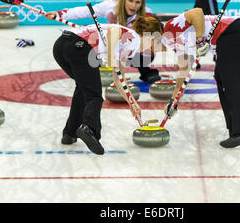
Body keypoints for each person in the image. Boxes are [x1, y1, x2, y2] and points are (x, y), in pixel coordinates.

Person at [52, 16, 163, 155]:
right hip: (78, 47)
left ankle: (70, 133)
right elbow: (114, 31)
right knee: (94, 96)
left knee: (83, 88)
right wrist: (111, 56)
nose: (153, 50)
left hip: (61, 46)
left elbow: (118, 80)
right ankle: (90, 129)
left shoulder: (129, 48)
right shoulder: (133, 37)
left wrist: (132, 103)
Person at [161, 8, 240, 148]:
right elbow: (184, 69)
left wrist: (200, 40)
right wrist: (174, 100)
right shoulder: (173, 42)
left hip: (231, 33)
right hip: (239, 33)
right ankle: (239, 129)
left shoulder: (170, 29)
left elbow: (197, 12)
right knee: (223, 79)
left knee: (231, 82)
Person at [45, 0, 162, 83]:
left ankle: (146, 72)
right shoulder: (110, 6)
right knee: (95, 43)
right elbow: (85, 11)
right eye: (130, 1)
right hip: (115, 44)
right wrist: (59, 14)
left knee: (143, 51)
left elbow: (153, 40)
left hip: (134, 52)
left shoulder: (147, 14)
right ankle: (98, 71)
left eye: (138, 2)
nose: (134, 5)